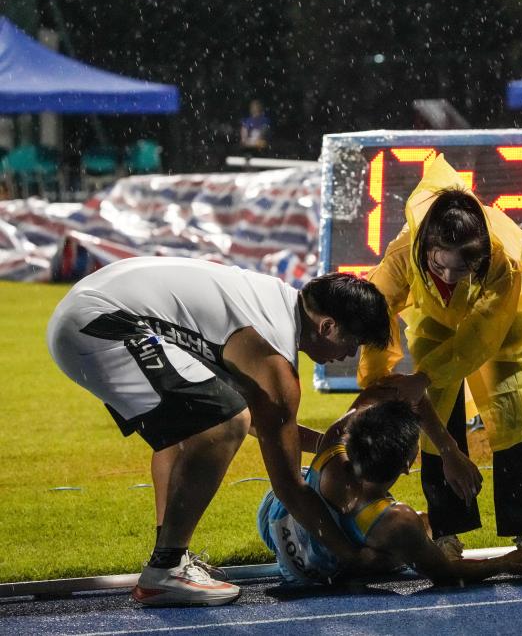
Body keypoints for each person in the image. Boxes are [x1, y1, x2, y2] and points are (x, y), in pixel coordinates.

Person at [46, 256, 393, 606]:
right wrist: (353, 555)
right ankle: (166, 569)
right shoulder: (272, 354)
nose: (351, 353)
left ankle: (170, 560)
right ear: (328, 326)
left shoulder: (271, 304)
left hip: (91, 314)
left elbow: (265, 423)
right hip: (101, 323)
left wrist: (326, 445)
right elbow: (288, 485)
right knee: (225, 422)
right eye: (354, 341)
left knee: (194, 426)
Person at [357, 155, 522, 567]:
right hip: (436, 320)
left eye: (462, 267)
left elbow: (483, 335)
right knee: (437, 407)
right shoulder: (403, 255)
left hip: (509, 317)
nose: (448, 277)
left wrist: (425, 376)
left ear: (478, 257)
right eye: (439, 265)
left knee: (513, 406)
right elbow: (376, 314)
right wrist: (378, 384)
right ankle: (447, 530)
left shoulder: (502, 261)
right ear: (426, 248)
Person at [257, 387, 522, 585]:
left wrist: (449, 449)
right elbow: (445, 573)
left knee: (403, 535)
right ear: (407, 464)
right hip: (306, 574)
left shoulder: (333, 442)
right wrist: (507, 562)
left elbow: (395, 387)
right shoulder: (397, 522)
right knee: (395, 555)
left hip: (271, 517)